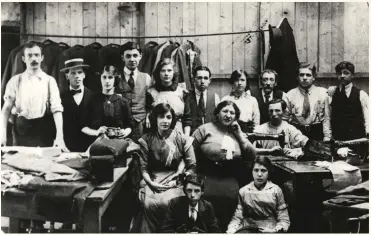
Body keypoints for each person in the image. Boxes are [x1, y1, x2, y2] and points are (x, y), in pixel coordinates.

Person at [192, 100, 256, 231]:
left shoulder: (237, 132)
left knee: (232, 197)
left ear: (236, 117)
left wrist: (239, 134)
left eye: (232, 113)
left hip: (230, 175)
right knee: (207, 198)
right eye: (225, 111)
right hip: (207, 174)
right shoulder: (204, 129)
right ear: (217, 113)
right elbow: (189, 151)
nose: (228, 115)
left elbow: (251, 155)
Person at [133, 103, 196, 233]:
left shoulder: (182, 139)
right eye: (161, 117)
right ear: (155, 118)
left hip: (177, 180)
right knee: (150, 205)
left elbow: (192, 166)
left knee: (173, 204)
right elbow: (143, 167)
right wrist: (151, 183)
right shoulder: (147, 139)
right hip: (153, 179)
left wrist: (179, 177)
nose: (165, 121)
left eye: (168, 117)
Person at [1, 41, 68, 151]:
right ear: (23, 59)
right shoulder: (15, 81)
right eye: (30, 55)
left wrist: (60, 137)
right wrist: (2, 135)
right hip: (21, 131)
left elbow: (57, 110)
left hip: (43, 131)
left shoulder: (50, 81)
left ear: (42, 58)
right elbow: (5, 110)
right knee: (20, 164)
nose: (34, 59)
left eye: (37, 55)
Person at [226, 156, 290, 233]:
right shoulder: (244, 191)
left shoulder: (276, 190)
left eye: (263, 170)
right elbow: (238, 216)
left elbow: (283, 217)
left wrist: (275, 230)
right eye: (256, 170)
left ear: (269, 172)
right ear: (251, 171)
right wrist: (231, 230)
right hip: (248, 227)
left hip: (270, 228)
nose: (259, 174)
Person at [82, 65, 133, 138]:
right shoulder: (92, 100)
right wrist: (96, 132)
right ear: (100, 78)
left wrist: (125, 132)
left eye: (110, 77)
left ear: (115, 79)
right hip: (97, 142)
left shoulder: (123, 102)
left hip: (118, 143)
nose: (107, 81)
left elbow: (129, 125)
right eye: (104, 77)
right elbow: (83, 126)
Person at [116, 41, 152, 141]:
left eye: (135, 55)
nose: (132, 59)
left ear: (140, 56)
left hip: (141, 124)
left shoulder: (146, 78)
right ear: (122, 57)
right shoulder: (116, 78)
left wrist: (149, 115)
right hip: (122, 125)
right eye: (128, 56)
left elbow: (150, 102)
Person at [146, 58, 192, 136]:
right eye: (163, 71)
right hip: (157, 133)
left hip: (178, 132)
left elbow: (187, 118)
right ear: (158, 73)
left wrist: (186, 137)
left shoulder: (182, 92)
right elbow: (148, 112)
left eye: (169, 70)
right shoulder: (151, 92)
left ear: (174, 73)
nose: (166, 74)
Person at [324, 61, 368, 141]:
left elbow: (367, 117)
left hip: (357, 138)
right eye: (339, 73)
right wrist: (327, 136)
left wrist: (368, 134)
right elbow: (327, 117)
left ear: (352, 75)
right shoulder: (330, 95)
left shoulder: (361, 94)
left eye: (346, 73)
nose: (342, 76)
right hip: (337, 139)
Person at [285, 62, 329, 140]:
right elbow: (285, 119)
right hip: (296, 131)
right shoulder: (289, 95)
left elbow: (326, 118)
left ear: (314, 77)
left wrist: (327, 136)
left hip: (317, 131)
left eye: (308, 75)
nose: (305, 78)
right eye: (301, 75)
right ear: (297, 77)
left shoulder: (323, 93)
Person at [60, 58, 95, 152]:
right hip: (67, 147)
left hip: (89, 147)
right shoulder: (60, 97)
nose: (77, 76)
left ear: (84, 75)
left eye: (80, 72)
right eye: (73, 73)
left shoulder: (93, 97)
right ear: (67, 76)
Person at [188, 66, 220, 134]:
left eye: (205, 78)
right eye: (199, 78)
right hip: (192, 136)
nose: (202, 81)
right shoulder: (187, 96)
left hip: (210, 135)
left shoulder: (215, 97)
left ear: (209, 80)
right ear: (193, 80)